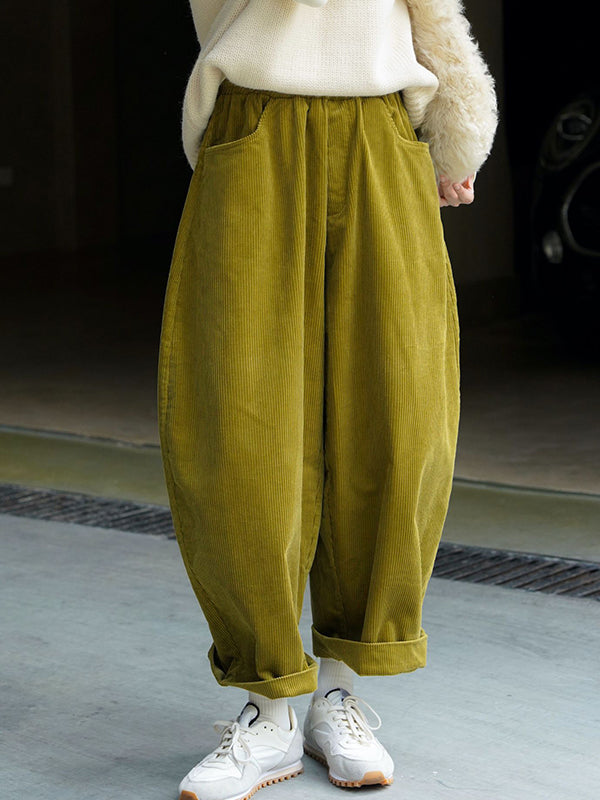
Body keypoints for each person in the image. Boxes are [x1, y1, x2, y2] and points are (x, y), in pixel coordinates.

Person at [157, 0, 498, 798]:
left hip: (383, 128)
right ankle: (269, 707)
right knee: (239, 421)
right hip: (255, 121)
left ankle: (339, 693)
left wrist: (456, 122)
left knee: (397, 413)